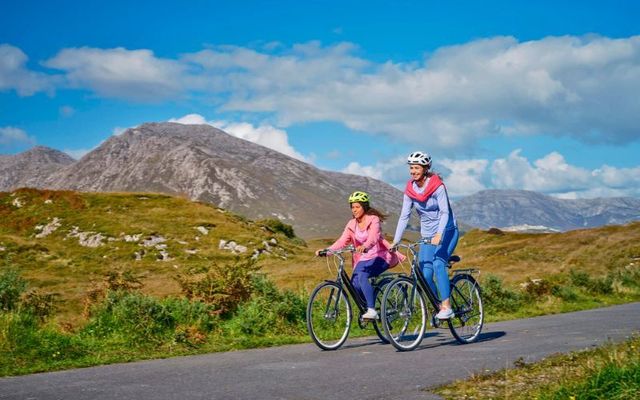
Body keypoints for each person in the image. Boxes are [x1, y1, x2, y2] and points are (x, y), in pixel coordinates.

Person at [391, 151, 459, 320]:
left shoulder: (438, 186)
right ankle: (438, 306)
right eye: (411, 168)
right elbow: (404, 216)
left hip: (447, 231)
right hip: (427, 235)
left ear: (426, 168)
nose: (413, 171)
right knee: (425, 274)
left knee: (438, 264)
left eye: (417, 168)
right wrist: (396, 241)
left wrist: (439, 234)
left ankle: (447, 306)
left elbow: (444, 212)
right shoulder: (410, 189)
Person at [317, 191, 405, 320]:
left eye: (357, 207)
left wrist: (366, 246)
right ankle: (367, 307)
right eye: (352, 207)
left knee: (363, 275)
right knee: (355, 284)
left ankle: (371, 310)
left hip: (381, 256)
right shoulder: (351, 224)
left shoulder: (373, 219)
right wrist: (327, 251)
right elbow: (342, 241)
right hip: (364, 258)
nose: (354, 210)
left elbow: (374, 237)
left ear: (364, 206)